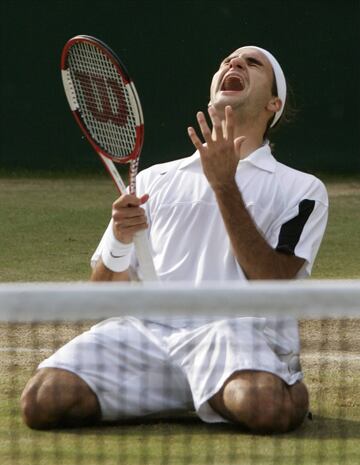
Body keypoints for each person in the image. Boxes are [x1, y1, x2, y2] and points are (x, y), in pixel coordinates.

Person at [20, 45, 328, 433]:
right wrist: (118, 239)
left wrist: (224, 186)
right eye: (227, 61)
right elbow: (101, 299)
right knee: (42, 401)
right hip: (145, 337)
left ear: (273, 104)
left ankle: (283, 387)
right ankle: (188, 393)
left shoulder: (301, 189)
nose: (234, 63)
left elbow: (275, 282)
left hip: (231, 336)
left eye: (253, 63)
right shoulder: (153, 179)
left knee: (267, 410)